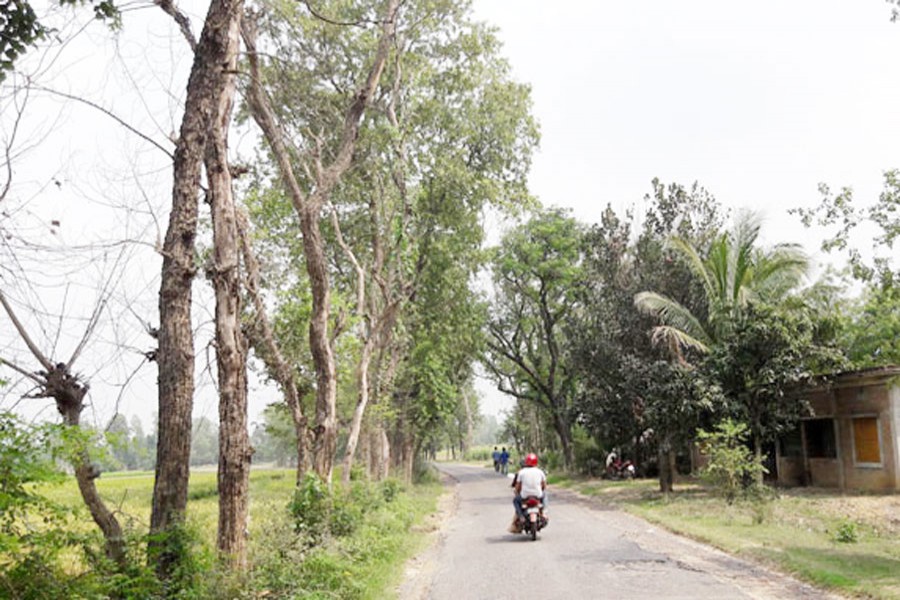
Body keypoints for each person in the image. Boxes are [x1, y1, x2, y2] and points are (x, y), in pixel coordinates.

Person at [509, 452, 547, 532]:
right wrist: (540, 490)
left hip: (525, 496)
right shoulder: (540, 472)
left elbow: (518, 486)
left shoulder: (521, 472)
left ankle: (521, 516)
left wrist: (517, 492)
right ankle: (543, 512)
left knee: (515, 500)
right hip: (537, 495)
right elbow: (544, 485)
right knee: (545, 495)